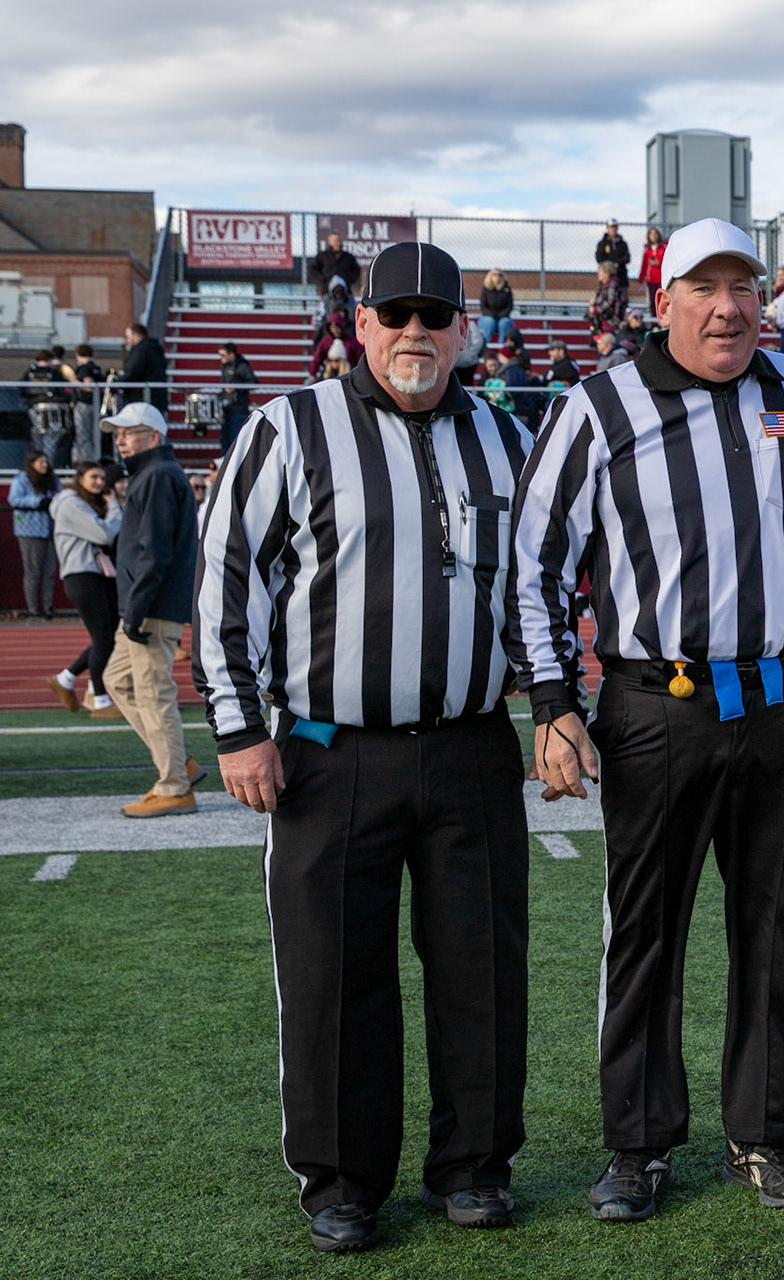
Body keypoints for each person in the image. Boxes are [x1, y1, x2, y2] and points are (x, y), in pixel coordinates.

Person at [194, 241, 534, 1253]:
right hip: (328, 751)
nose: (414, 332)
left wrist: (555, 703)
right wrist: (240, 729)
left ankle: (474, 1164)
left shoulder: (509, 438)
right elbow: (226, 584)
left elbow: (538, 586)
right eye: (396, 315)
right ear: (360, 325)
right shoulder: (287, 427)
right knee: (334, 974)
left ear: (466, 328)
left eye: (435, 315)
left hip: (472, 747)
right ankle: (342, 1180)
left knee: (481, 968)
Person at [508, 217, 784, 1224]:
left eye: (743, 287)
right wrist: (554, 702)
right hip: (659, 704)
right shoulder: (598, 406)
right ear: (663, 303)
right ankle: (638, 1143)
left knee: (775, 927)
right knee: (645, 930)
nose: (728, 308)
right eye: (705, 288)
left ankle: (764, 1133)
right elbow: (533, 561)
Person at [100, 402, 199, 817]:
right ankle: (177, 763)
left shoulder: (157, 475)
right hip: (146, 604)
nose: (120, 440)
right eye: (118, 434)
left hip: (152, 606)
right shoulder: (154, 474)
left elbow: (154, 551)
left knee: (153, 693)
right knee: (116, 679)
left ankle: (174, 786)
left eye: (129, 432)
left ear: (154, 436)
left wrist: (137, 608)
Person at [48, 461, 123, 715]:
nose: (99, 482)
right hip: (82, 575)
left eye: (102, 478)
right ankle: (99, 698)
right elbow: (104, 534)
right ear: (80, 478)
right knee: (104, 637)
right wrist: (114, 507)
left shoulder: (83, 503)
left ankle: (66, 678)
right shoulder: (71, 503)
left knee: (109, 635)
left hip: (95, 574)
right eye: (94, 477)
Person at [10, 449, 58, 618]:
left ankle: (47, 606)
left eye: (46, 461)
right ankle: (33, 608)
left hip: (51, 530)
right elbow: (14, 499)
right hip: (30, 531)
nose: (45, 465)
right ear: (32, 464)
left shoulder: (52, 479)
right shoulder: (22, 479)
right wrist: (38, 502)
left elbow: (60, 496)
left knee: (49, 571)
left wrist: (54, 502)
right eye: (41, 462)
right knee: (33, 570)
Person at [216, 342, 257, 454]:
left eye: (223, 355)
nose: (221, 358)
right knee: (225, 441)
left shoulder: (242, 366)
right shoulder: (225, 366)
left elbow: (254, 383)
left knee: (235, 441)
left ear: (231, 354)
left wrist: (236, 387)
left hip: (239, 409)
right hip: (226, 409)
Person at [121, 322, 170, 413]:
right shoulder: (156, 348)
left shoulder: (140, 350)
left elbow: (132, 372)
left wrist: (118, 383)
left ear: (136, 335)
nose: (127, 341)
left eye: (128, 337)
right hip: (157, 398)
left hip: (141, 400)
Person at [310, 231, 360, 296]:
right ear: (329, 242)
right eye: (335, 241)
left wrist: (349, 280)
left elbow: (356, 270)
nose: (338, 243)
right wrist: (323, 279)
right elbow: (313, 269)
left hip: (345, 293)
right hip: (326, 292)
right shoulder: (323, 256)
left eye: (339, 240)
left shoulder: (348, 257)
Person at [477, 269, 518, 347]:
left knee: (504, 322)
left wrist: (501, 315)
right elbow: (483, 306)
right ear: (490, 277)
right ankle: (485, 347)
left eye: (500, 275)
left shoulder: (507, 289)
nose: (497, 277)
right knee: (489, 322)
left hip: (503, 317)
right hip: (488, 316)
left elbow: (509, 306)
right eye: (494, 275)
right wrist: (492, 315)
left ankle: (502, 347)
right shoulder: (485, 289)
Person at [587, 261, 627, 334]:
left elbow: (610, 303)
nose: (598, 274)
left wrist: (595, 309)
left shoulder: (612, 285)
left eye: (600, 272)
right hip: (601, 323)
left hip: (609, 323)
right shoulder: (603, 286)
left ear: (607, 273)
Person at [638, 226, 668, 315]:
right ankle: (653, 320)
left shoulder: (663, 248)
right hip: (651, 280)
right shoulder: (647, 250)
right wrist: (641, 278)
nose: (654, 236)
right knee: (652, 301)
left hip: (661, 279)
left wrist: (659, 264)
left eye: (655, 234)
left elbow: (667, 263)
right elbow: (644, 264)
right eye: (651, 234)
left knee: (662, 301)